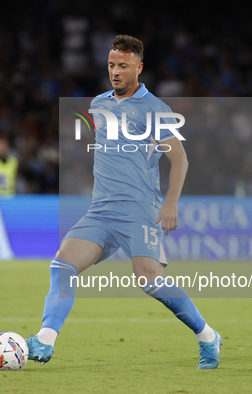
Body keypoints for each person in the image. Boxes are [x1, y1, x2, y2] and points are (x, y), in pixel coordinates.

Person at [25, 35, 221, 369]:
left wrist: (170, 202)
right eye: (112, 65)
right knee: (62, 265)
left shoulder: (155, 108)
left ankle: (207, 337)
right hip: (100, 210)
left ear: (139, 68)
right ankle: (45, 339)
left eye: (123, 66)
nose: (115, 72)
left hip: (139, 209)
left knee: (151, 282)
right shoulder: (99, 104)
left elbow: (180, 159)